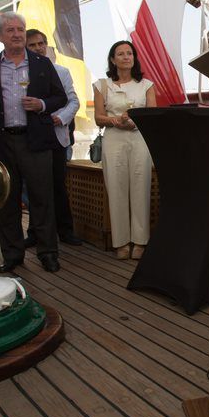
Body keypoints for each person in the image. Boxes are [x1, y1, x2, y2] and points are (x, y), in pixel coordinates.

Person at [0, 12, 67, 274]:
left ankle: (48, 252)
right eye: (11, 30)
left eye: (20, 29)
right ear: (0, 35)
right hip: (1, 143)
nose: (17, 34)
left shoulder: (42, 64)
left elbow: (60, 98)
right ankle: (13, 255)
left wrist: (42, 104)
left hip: (34, 140)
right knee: (7, 201)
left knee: (42, 199)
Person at [93, 40, 156, 261]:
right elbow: (98, 117)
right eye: (120, 53)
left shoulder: (146, 85)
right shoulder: (102, 85)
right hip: (113, 139)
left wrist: (135, 122)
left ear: (134, 58)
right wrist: (115, 120)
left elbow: (152, 115)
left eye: (129, 53)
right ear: (113, 59)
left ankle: (140, 241)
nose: (126, 57)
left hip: (139, 139)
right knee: (116, 189)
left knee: (140, 187)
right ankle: (121, 242)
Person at [24, 29, 82, 246]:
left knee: (58, 185)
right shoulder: (22, 72)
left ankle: (65, 231)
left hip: (57, 135)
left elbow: (73, 101)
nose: (39, 48)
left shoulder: (61, 71)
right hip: (33, 136)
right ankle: (34, 232)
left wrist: (60, 118)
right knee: (34, 187)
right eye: (33, 45)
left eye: (41, 43)